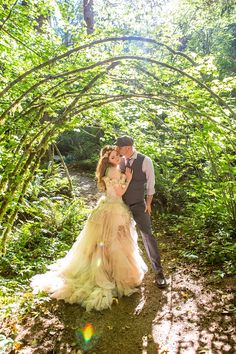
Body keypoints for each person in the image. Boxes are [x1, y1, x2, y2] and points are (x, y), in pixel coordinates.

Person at [30, 146, 147, 311]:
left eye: (117, 156)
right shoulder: (113, 171)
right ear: (108, 159)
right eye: (114, 157)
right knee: (113, 243)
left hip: (107, 207)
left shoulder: (109, 170)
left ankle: (109, 272)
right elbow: (120, 192)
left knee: (106, 243)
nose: (118, 158)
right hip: (114, 209)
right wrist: (127, 178)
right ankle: (111, 276)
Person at [115, 136, 167, 288]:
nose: (118, 150)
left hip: (139, 204)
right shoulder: (121, 160)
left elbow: (151, 184)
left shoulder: (145, 160)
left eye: (120, 147)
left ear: (129, 147)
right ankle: (121, 273)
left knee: (147, 234)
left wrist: (149, 203)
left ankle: (159, 272)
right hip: (121, 205)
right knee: (119, 236)